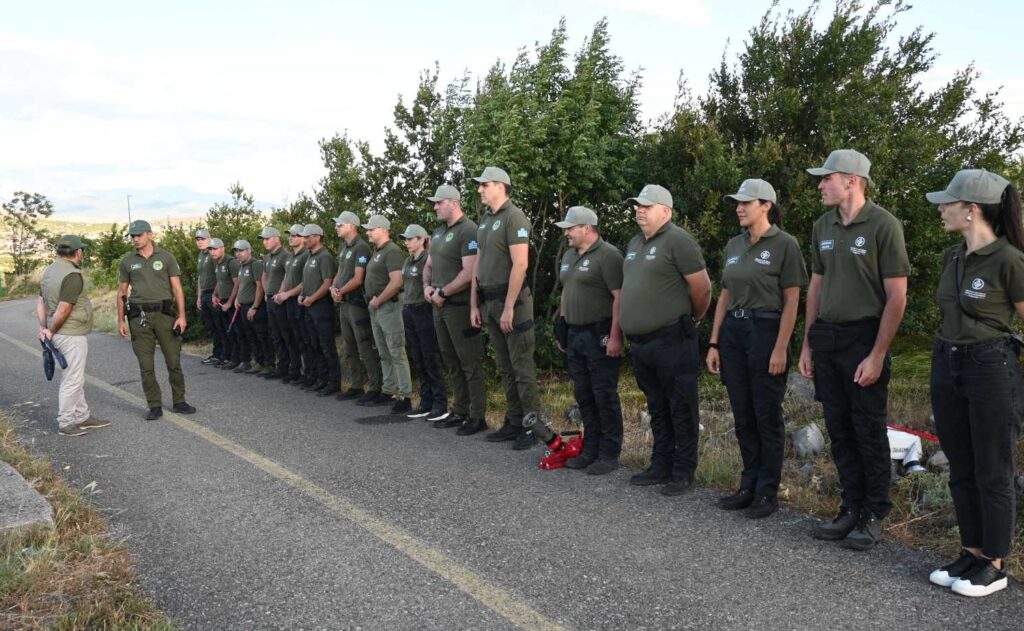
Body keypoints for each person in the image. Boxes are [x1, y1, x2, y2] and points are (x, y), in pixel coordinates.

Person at [799, 149, 909, 550]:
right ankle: (850, 506)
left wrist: (878, 353)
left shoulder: (883, 225)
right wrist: (808, 342)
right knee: (839, 429)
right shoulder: (822, 226)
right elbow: (816, 285)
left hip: (865, 338)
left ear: (851, 180)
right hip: (828, 337)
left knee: (867, 428)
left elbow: (897, 296)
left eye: (827, 178)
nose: (820, 184)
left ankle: (875, 511)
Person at [925, 169, 1024, 597]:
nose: (941, 209)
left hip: (991, 366)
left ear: (972, 209)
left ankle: (995, 564)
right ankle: (972, 551)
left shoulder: (1010, 260)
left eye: (947, 203)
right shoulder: (952, 256)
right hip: (947, 361)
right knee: (961, 464)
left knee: (992, 468)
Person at [706, 180, 807, 518]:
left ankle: (767, 491)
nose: (739, 208)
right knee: (743, 413)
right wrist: (714, 341)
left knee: (766, 414)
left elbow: (792, 299)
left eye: (746, 202)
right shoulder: (734, 245)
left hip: (766, 329)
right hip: (734, 331)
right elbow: (724, 295)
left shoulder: (785, 244)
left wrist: (781, 347)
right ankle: (747, 484)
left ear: (766, 205)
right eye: (737, 202)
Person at [620, 185, 711, 496]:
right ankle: (661, 463)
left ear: (666, 211)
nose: (639, 210)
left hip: (672, 338)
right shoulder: (635, 243)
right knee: (657, 406)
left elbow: (702, 289)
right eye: (637, 205)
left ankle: (683, 470)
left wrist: (693, 319)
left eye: (646, 205)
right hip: (642, 343)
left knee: (681, 406)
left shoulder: (678, 240)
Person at [470, 166, 541, 450]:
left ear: (500, 186)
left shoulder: (514, 217)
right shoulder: (485, 221)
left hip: (511, 303)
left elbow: (521, 264)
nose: (479, 190)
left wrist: (509, 307)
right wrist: (474, 303)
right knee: (504, 367)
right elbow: (478, 263)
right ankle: (513, 422)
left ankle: (533, 426)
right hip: (489, 302)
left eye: (484, 185)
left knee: (522, 368)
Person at [553, 206, 625, 476]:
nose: (567, 233)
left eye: (570, 228)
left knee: (603, 393)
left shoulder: (608, 256)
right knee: (583, 393)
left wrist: (616, 335)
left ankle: (609, 452)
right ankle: (590, 448)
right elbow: (567, 289)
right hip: (575, 332)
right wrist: (562, 322)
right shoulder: (570, 255)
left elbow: (619, 296)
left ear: (587, 228)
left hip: (600, 332)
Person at [116, 219, 196, 420]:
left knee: (173, 360)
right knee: (146, 365)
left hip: (164, 316)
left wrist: (182, 316)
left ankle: (179, 401)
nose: (135, 239)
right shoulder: (127, 261)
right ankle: (154, 405)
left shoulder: (166, 257)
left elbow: (177, 288)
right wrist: (120, 320)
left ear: (150, 235)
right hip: (139, 317)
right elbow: (122, 292)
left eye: (139, 235)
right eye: (133, 236)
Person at [423, 185, 483, 432]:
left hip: (457, 306)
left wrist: (443, 292)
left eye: (439, 202)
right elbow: (429, 265)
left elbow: (469, 272)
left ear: (454, 203)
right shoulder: (437, 233)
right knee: (451, 361)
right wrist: (427, 286)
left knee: (469, 362)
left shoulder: (468, 230)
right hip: (438, 305)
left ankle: (477, 415)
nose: (435, 207)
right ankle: (460, 409)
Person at [37, 235, 109, 436]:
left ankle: (82, 416)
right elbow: (64, 308)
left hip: (57, 331)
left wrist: (44, 329)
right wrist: (51, 331)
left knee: (75, 376)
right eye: (82, 251)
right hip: (70, 332)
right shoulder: (72, 275)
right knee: (73, 379)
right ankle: (67, 422)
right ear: (78, 253)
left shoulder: (48, 272)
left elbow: (41, 302)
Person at [329, 211, 387, 405]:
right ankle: (355, 385)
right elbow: (340, 272)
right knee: (349, 346)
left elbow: (358, 278)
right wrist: (333, 288)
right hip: (344, 302)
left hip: (355, 303)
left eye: (340, 224)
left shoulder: (361, 247)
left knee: (364, 345)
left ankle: (375, 386)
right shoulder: (344, 247)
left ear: (352, 226)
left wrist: (341, 291)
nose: (337, 227)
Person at [362, 214, 413, 414]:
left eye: (371, 229)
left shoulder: (392, 251)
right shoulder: (378, 251)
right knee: (384, 352)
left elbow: (397, 282)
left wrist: (379, 299)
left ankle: (405, 395)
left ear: (383, 230)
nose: (368, 232)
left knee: (396, 351)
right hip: (376, 307)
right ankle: (388, 389)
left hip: (388, 306)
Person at [400, 223, 448, 419]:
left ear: (422, 239)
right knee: (418, 357)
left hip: (424, 310)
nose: (407, 242)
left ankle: (440, 403)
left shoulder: (428, 258)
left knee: (430, 357)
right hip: (409, 310)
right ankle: (425, 401)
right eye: (405, 239)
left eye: (410, 239)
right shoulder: (408, 261)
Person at [298, 223, 341, 397]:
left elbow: (327, 283)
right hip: (308, 306)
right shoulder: (309, 256)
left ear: (317, 237)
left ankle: (333, 381)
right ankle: (320, 378)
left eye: (307, 237)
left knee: (326, 345)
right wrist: (302, 294)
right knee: (314, 343)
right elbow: (306, 281)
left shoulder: (325, 257)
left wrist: (312, 298)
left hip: (320, 307)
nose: (304, 240)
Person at [275, 224, 313, 385]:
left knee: (305, 339)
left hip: (299, 301)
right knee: (292, 337)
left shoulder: (306, 255)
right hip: (287, 302)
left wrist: (288, 294)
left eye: (295, 235)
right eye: (290, 235)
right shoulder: (290, 256)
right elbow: (286, 278)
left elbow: (305, 282)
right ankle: (296, 370)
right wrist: (280, 292)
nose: (291, 237)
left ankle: (309, 373)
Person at [232, 240, 273, 374]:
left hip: (254, 307)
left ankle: (268, 364)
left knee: (261, 335)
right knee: (250, 336)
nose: (239, 254)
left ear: (249, 250)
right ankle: (259, 362)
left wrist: (254, 307)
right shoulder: (241, 266)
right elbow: (242, 285)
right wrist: (238, 298)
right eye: (236, 251)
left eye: (241, 251)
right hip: (243, 307)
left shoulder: (255, 265)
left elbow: (260, 287)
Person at [261, 226, 295, 380]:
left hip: (280, 299)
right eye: (263, 239)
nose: (264, 242)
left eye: (267, 239)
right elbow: (264, 275)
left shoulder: (285, 255)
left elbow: (287, 276)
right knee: (275, 335)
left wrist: (280, 294)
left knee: (286, 334)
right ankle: (282, 366)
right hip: (270, 298)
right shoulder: (268, 257)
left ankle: (292, 367)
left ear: (277, 239)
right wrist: (266, 291)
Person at [210, 238, 241, 370]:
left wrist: (230, 302)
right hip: (222, 301)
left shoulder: (231, 262)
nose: (213, 252)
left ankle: (237, 359)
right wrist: (214, 295)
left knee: (235, 331)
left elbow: (237, 283)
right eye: (211, 249)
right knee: (224, 331)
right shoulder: (217, 263)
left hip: (231, 302)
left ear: (223, 248)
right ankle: (227, 357)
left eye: (215, 248)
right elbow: (220, 281)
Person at [194, 229, 221, 365]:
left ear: (209, 239)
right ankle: (217, 354)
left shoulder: (213, 253)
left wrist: (215, 294)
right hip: (204, 294)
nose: (200, 242)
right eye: (198, 240)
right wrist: (199, 297)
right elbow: (200, 277)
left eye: (202, 239)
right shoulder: (200, 255)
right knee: (211, 326)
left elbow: (220, 276)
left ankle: (224, 355)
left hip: (214, 293)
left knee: (219, 325)